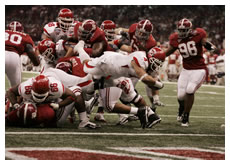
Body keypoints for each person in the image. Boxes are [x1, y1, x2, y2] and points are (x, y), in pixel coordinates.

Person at [74, 40, 165, 128]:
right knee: (87, 67)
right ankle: (80, 48)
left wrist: (155, 84)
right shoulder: (142, 60)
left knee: (130, 98)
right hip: (108, 65)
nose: (157, 66)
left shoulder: (144, 61)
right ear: (151, 58)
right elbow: (145, 78)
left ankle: (151, 115)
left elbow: (148, 81)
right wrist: (159, 85)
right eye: (156, 63)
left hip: (117, 75)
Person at [160, 18, 217, 126]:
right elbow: (168, 52)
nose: (181, 32)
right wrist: (158, 56)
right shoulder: (175, 38)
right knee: (180, 96)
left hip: (199, 68)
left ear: (189, 30)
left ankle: (186, 116)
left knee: (190, 90)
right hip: (186, 70)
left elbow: (205, 42)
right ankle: (181, 108)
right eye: (180, 30)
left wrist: (209, 46)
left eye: (184, 30)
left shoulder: (198, 34)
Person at [6, 74, 96, 128]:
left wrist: (59, 105)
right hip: (46, 112)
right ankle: (84, 119)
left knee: (12, 112)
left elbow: (71, 97)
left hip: (43, 108)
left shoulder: (56, 87)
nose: (39, 98)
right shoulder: (25, 88)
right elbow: (10, 92)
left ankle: (82, 114)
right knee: (76, 90)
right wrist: (15, 104)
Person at [5, 21, 40, 87]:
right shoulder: (25, 36)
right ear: (22, 30)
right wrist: (36, 62)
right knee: (16, 88)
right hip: (13, 57)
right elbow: (29, 50)